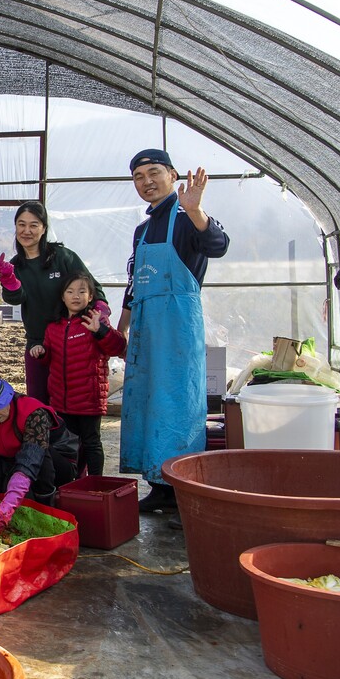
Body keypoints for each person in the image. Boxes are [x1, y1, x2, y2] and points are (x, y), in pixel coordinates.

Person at [118, 150, 229, 522]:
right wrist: (122, 325)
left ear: (172, 174)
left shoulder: (185, 218)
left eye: (154, 173)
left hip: (178, 326)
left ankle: (183, 490)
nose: (146, 181)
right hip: (147, 325)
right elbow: (134, 281)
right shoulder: (142, 229)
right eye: (138, 177)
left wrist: (197, 210)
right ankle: (160, 488)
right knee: (150, 403)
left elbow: (218, 246)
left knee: (178, 405)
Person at [0, 201, 106, 403]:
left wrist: (100, 315)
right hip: (38, 345)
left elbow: (93, 289)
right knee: (40, 404)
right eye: (21, 224)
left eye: (34, 225)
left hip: (72, 341)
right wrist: (9, 280)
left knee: (76, 402)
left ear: (44, 228)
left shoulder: (62, 257)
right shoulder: (15, 266)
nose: (26, 231)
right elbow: (15, 299)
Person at [34, 272, 127, 477]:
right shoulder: (53, 327)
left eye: (82, 291)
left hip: (88, 400)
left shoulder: (93, 322)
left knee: (92, 443)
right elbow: (50, 358)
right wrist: (41, 353)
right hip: (61, 400)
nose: (76, 296)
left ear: (91, 297)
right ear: (62, 296)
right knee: (68, 444)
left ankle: (95, 484)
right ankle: (72, 483)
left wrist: (100, 331)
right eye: (70, 291)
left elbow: (118, 347)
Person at [0, 372, 75, 532]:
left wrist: (7, 508)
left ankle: (44, 506)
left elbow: (30, 459)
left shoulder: (34, 413)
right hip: (11, 458)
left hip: (54, 465)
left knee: (41, 452)